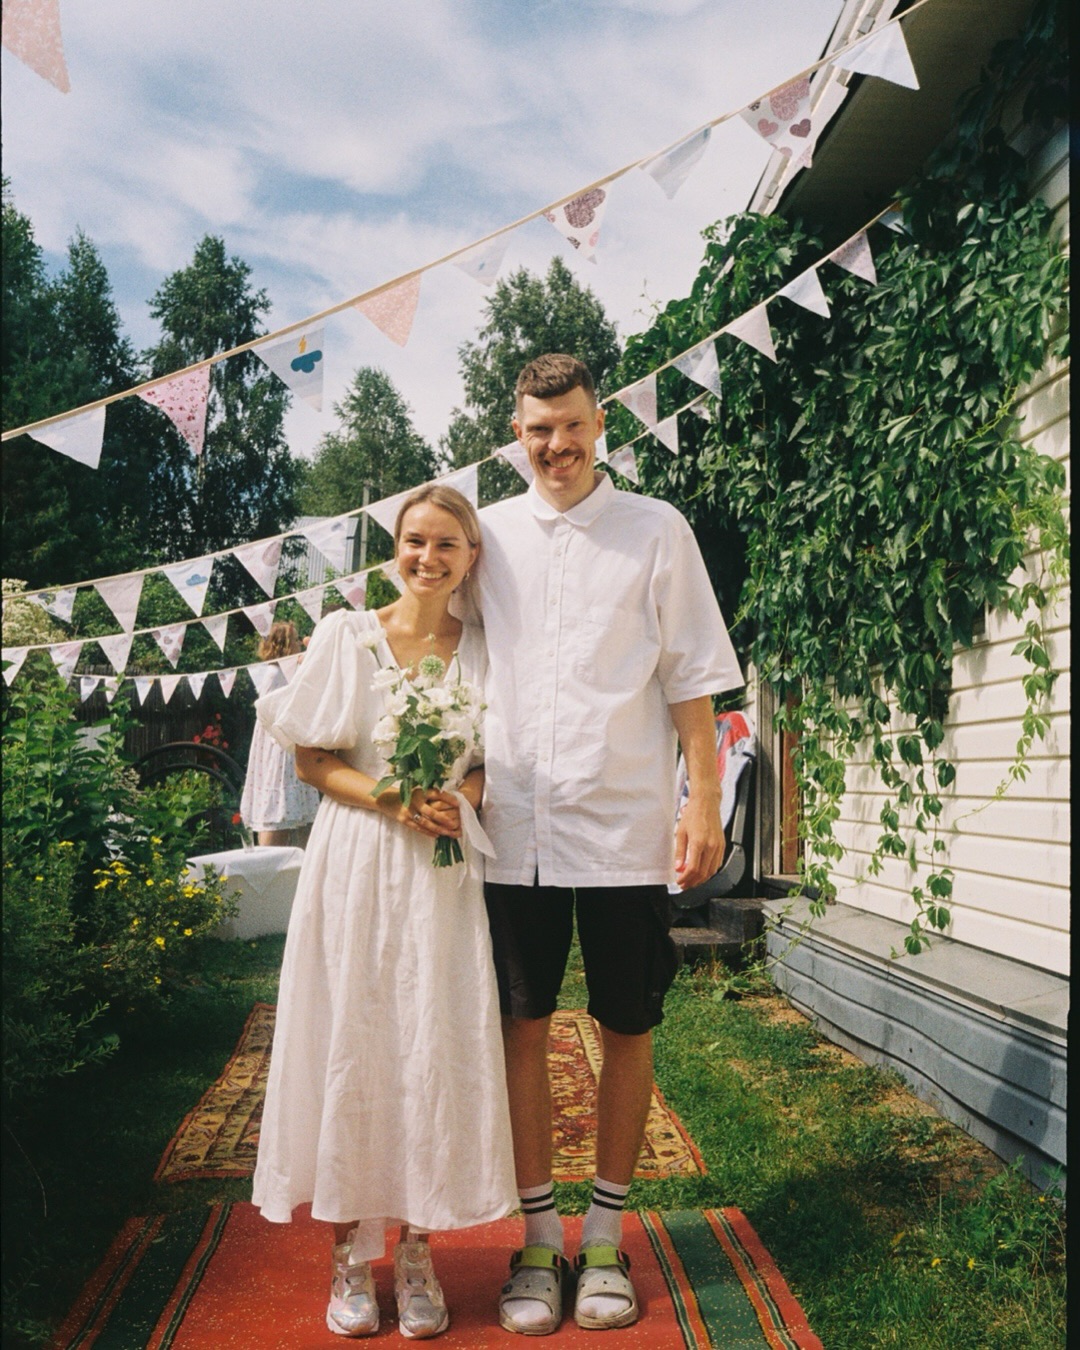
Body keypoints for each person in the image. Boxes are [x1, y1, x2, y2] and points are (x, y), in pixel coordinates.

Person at [474, 354, 743, 1335]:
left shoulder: (656, 529)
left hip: (626, 825)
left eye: (573, 424)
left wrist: (701, 803)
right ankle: (539, 1240)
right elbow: (436, 647)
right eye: (539, 429)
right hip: (513, 830)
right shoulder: (487, 537)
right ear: (517, 435)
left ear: (600, 425)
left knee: (628, 1024)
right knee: (522, 1027)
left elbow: (692, 675)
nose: (558, 445)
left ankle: (603, 1239)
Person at [251, 485, 516, 1339]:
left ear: (470, 558)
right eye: (414, 541)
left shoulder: (484, 651)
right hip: (358, 863)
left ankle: (416, 1251)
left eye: (446, 544)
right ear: (393, 548)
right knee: (352, 1041)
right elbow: (312, 759)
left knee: (428, 1045)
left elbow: (493, 762)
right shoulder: (347, 635)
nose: (427, 558)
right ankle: (347, 1261)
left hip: (441, 875)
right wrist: (391, 796)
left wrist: (462, 798)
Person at [238, 621, 320, 847]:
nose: (298, 643)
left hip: (291, 738)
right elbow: (266, 710)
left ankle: (301, 861)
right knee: (275, 805)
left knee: (298, 810)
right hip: (276, 743)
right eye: (295, 640)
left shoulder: (291, 669)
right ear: (284, 644)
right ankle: (269, 857)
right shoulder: (274, 673)